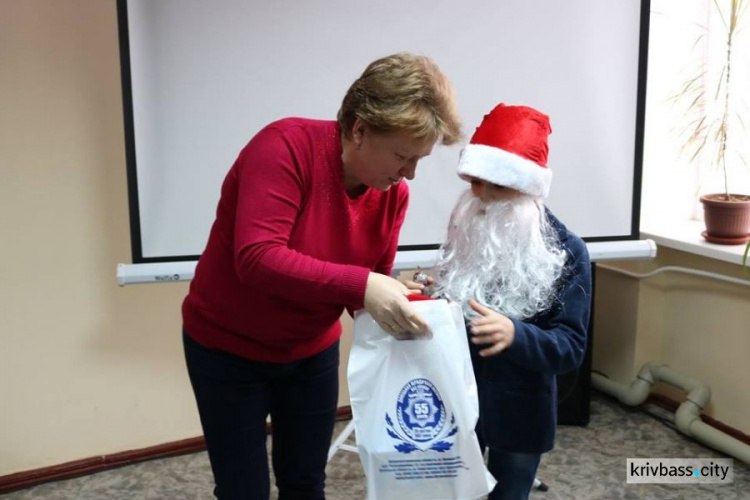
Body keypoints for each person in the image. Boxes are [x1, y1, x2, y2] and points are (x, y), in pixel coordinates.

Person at [180, 53, 462, 500]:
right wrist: (365, 286)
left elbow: (364, 283)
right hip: (227, 349)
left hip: (311, 352)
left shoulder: (393, 194)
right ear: (359, 130)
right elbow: (257, 258)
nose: (410, 173)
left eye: (419, 160)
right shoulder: (283, 148)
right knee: (243, 490)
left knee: (306, 483)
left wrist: (391, 293)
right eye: (404, 156)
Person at [431, 103, 592, 500]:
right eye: (475, 182)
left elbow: (570, 348)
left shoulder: (566, 252)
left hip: (522, 414)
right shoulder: (469, 229)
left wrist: (516, 334)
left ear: (528, 188)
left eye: (498, 186)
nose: (482, 197)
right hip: (459, 406)